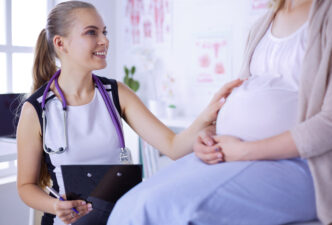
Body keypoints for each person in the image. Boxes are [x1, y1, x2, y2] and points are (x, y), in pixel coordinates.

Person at [16, 1, 242, 225]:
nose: (104, 40)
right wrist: (55, 206)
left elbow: (173, 146)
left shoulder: (117, 93)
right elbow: (26, 186)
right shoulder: (36, 110)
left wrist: (206, 115)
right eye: (91, 32)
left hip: (119, 217)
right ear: (60, 43)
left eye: (104, 32)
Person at [107, 0, 332, 224]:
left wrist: (245, 151)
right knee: (130, 206)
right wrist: (208, 139)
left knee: (163, 208)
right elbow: (248, 98)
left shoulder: (326, 15)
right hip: (234, 155)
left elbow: (328, 124)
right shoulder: (263, 23)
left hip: (302, 164)